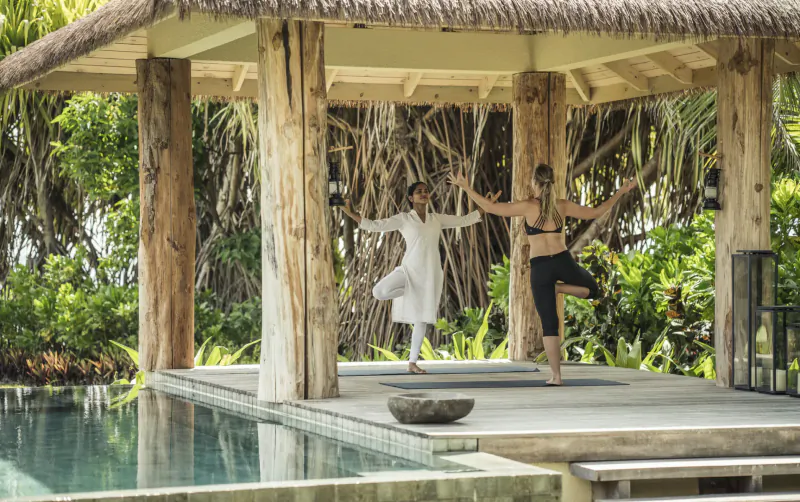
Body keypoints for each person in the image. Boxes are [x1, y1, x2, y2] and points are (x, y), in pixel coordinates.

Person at [449, 164, 637, 385]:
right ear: (552, 182)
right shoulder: (562, 206)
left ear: (534, 183)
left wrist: (465, 187)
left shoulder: (529, 207)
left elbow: (490, 208)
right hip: (563, 261)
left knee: (550, 323)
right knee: (593, 290)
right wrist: (621, 191)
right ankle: (559, 288)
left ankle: (556, 376)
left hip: (540, 268)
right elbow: (596, 212)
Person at [342, 181, 499, 374]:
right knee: (379, 292)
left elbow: (465, 220)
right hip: (408, 271)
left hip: (430, 274)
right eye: (419, 192)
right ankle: (407, 292)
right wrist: (351, 213)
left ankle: (412, 363)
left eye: (425, 191)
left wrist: (487, 206)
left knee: (421, 320)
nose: (423, 194)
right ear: (411, 198)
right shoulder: (404, 219)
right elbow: (375, 225)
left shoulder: (436, 219)